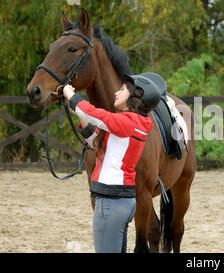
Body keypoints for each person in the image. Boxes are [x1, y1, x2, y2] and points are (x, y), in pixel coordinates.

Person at [63, 73, 162, 253]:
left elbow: (94, 114)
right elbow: (96, 142)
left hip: (110, 203)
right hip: (122, 201)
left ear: (135, 97)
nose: (117, 92)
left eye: (123, 89)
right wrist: (80, 113)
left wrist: (70, 94)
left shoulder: (127, 122)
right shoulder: (135, 124)